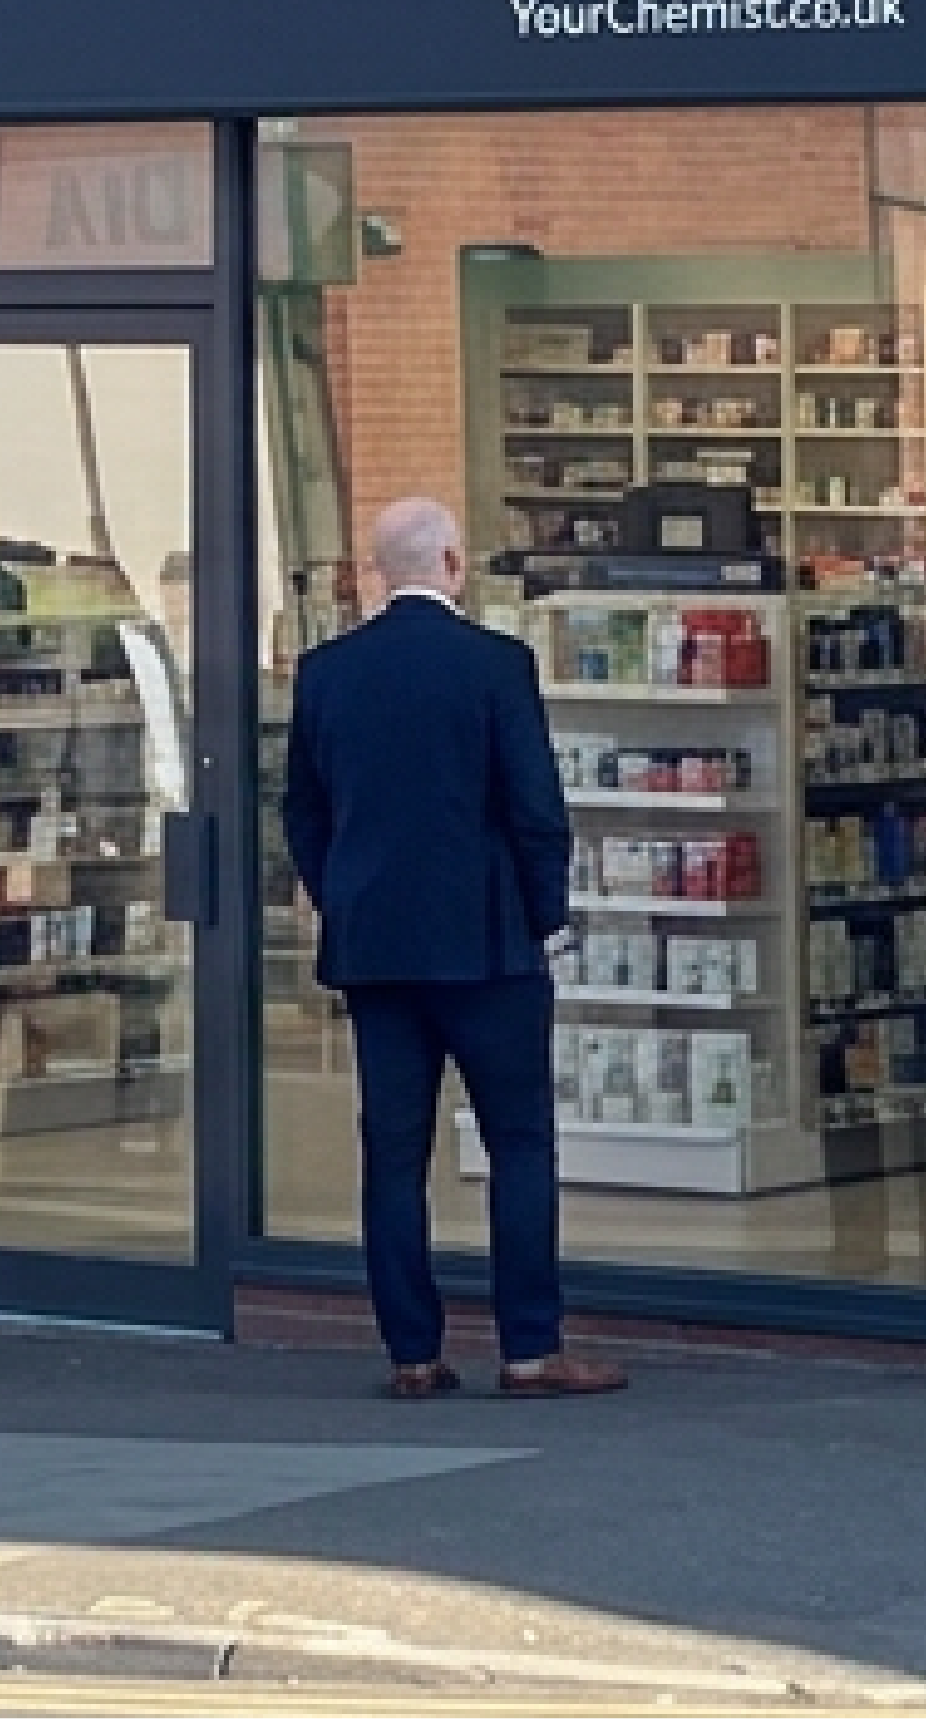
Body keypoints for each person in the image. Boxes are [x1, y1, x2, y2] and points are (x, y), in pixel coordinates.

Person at [280, 496, 628, 1400]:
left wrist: (340, 897)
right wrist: (542, 914)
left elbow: (303, 811)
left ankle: (411, 1351)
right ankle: (527, 1347)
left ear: (375, 572)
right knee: (518, 1141)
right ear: (450, 560)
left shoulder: (323, 674)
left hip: (374, 948)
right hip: (485, 944)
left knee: (391, 1152)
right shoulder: (495, 665)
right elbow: (533, 807)